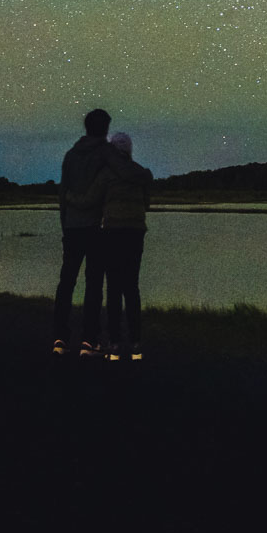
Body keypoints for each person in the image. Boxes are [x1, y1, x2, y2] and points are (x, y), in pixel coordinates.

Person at [67, 130, 152, 361]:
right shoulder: (140, 174)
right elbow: (147, 204)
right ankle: (135, 344)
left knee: (114, 288)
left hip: (113, 233)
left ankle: (114, 344)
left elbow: (90, 200)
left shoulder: (106, 174)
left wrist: (70, 198)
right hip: (136, 233)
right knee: (131, 288)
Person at [53, 107, 114, 356]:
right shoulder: (106, 153)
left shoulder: (70, 154)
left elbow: (62, 193)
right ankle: (89, 340)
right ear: (105, 128)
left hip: (72, 227)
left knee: (66, 282)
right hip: (95, 227)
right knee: (94, 283)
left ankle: (60, 338)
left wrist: (65, 224)